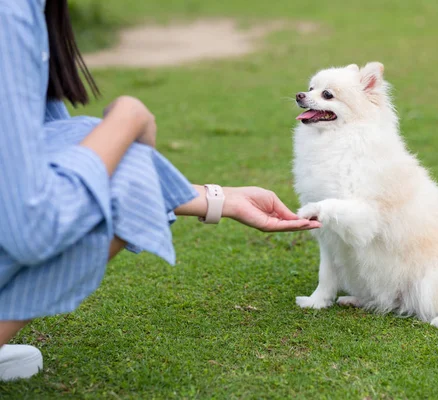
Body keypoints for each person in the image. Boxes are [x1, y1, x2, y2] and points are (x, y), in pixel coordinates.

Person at [0, 0, 320, 381]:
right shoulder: (11, 13)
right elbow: (34, 223)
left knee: (96, 146)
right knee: (122, 162)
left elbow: (47, 152)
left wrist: (219, 199)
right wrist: (129, 117)